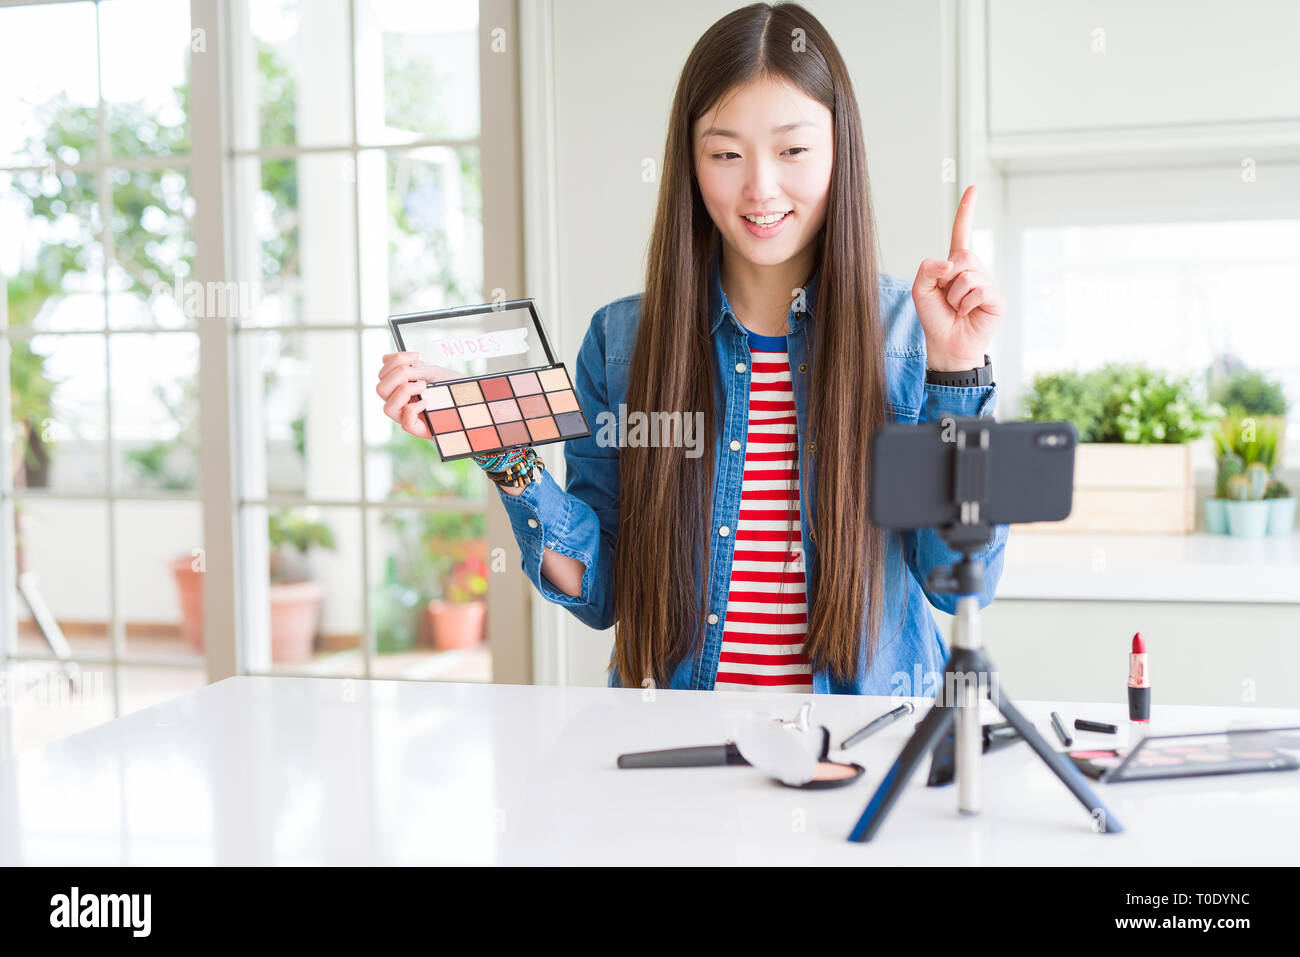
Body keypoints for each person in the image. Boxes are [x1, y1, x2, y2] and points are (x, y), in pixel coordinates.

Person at [377, 2, 1008, 695]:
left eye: (793, 150)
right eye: (725, 153)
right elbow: (601, 594)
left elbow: (958, 583)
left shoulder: (907, 334)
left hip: (858, 759)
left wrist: (956, 372)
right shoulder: (620, 342)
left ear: (839, 150)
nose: (760, 187)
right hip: (675, 759)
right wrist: (507, 455)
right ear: (689, 161)